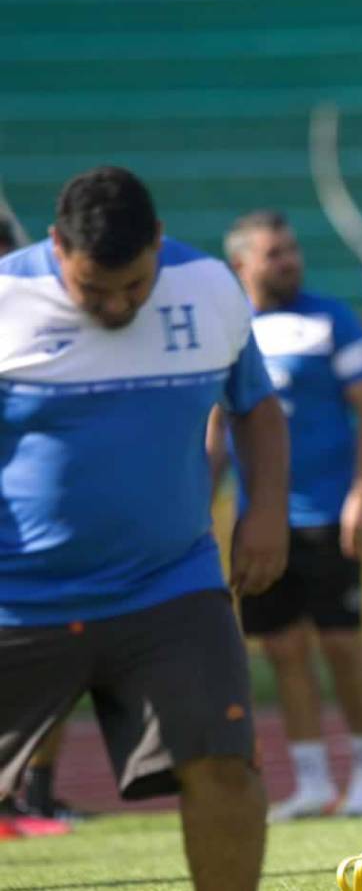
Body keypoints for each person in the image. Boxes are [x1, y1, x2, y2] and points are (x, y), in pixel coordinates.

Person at [0, 166, 287, 887]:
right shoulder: (7, 299)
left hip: (168, 587)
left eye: (135, 285)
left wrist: (266, 512)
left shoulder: (209, 288)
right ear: (56, 245)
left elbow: (254, 406)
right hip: (17, 598)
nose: (119, 305)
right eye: (94, 291)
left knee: (225, 766)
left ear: (159, 240)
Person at [209, 210, 362, 821]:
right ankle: (312, 779)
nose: (288, 260)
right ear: (241, 265)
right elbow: (214, 426)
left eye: (290, 249)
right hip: (261, 519)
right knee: (283, 650)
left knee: (341, 644)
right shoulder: (225, 329)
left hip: (328, 512)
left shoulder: (330, 318)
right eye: (273, 253)